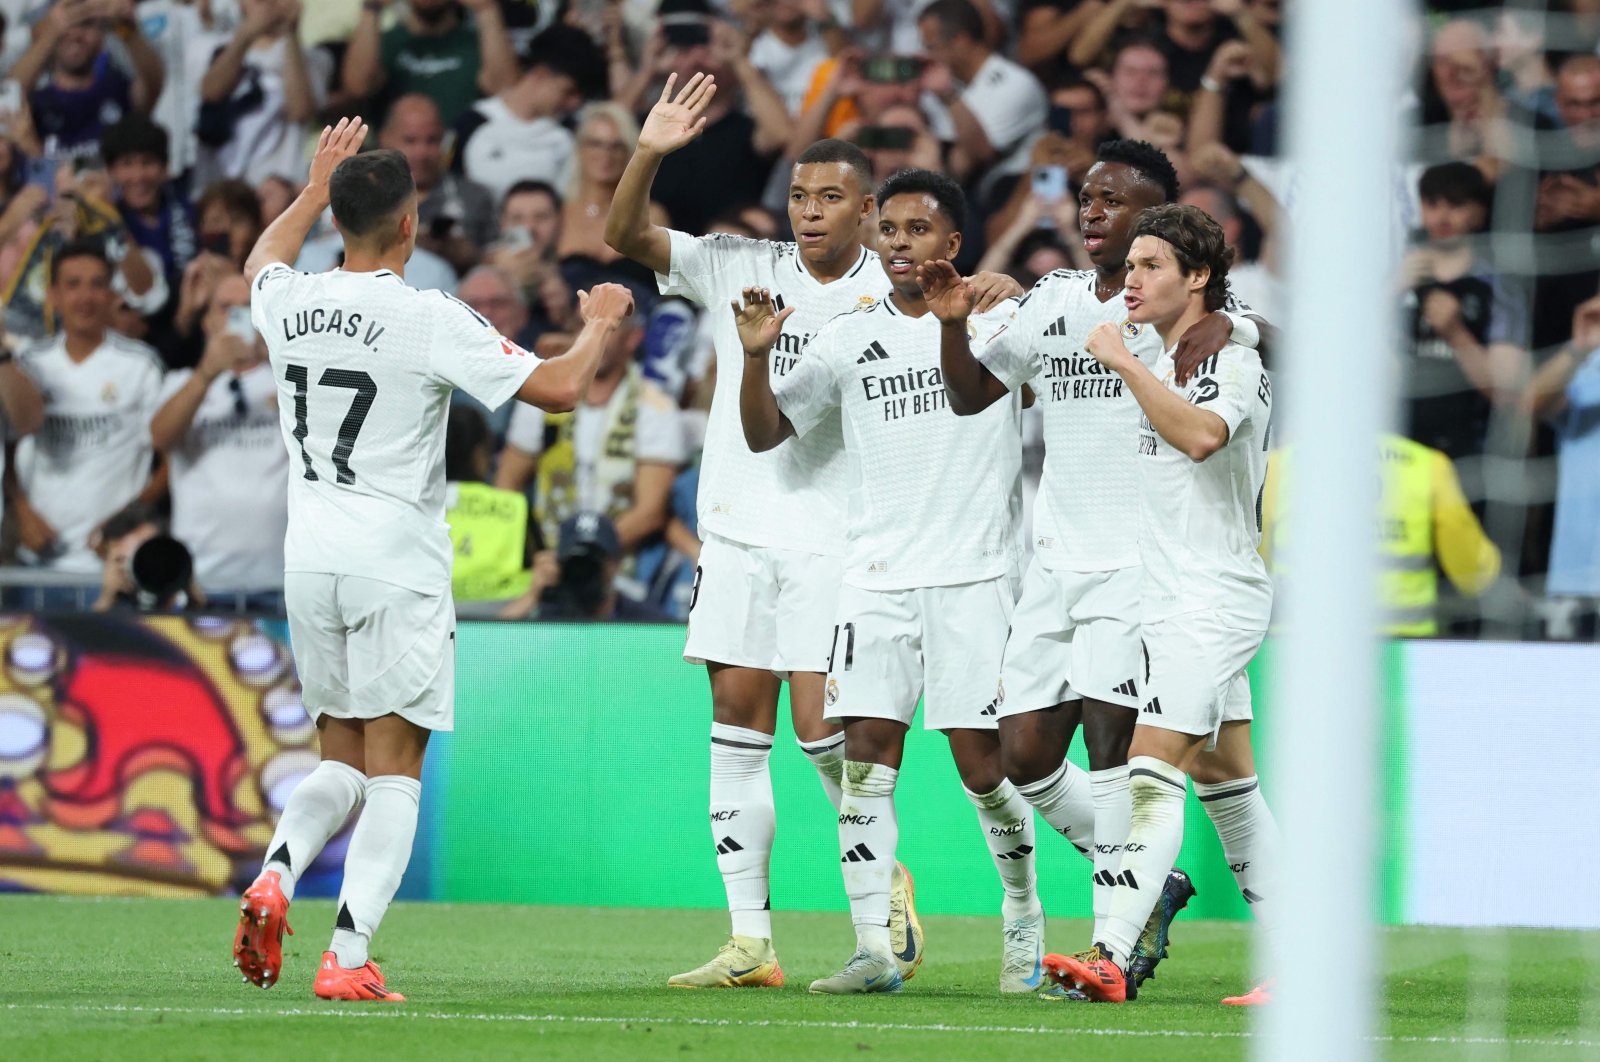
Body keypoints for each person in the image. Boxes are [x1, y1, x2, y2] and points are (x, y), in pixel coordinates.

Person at [232, 117, 634, 1001]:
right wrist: (601, 323)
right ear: (411, 226)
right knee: (394, 772)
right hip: (395, 563)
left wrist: (310, 187)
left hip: (310, 562)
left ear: (337, 219)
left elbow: (258, 260)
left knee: (337, 759)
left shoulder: (289, 300)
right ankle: (346, 956)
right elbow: (562, 390)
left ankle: (275, 873)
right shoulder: (426, 317)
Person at [927, 138, 1264, 994]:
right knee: (1033, 756)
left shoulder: (1209, 331)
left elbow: (1243, 354)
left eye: (1117, 203)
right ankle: (1157, 896)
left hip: (1152, 576)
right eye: (1087, 198)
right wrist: (956, 319)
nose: (1092, 212)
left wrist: (1194, 332)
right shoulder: (1055, 303)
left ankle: (1114, 943)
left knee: (1137, 767)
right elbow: (973, 393)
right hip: (1059, 564)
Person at [604, 76, 914, 990]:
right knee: (736, 729)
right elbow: (623, 237)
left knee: (825, 736)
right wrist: (651, 149)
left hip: (837, 540)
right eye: (798, 197)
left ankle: (879, 891)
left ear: (866, 209)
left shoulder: (890, 292)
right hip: (738, 533)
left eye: (828, 199)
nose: (809, 213)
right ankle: (751, 943)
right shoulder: (740, 261)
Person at [734, 169, 1048, 996]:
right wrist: (756, 359)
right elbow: (767, 434)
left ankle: (1023, 913)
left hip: (975, 575)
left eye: (920, 230)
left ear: (954, 245)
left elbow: (991, 388)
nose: (901, 242)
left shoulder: (1000, 319)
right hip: (873, 576)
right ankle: (875, 946)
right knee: (866, 762)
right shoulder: (846, 333)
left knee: (983, 767)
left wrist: (976, 308)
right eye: (893, 230)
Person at [1042, 202, 1276, 1008]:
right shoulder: (1181, 344)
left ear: (1198, 276)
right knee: (1227, 782)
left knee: (1150, 771)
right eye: (1129, 264)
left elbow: (1204, 436)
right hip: (1168, 596)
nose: (1130, 280)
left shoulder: (1228, 361)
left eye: (1149, 266)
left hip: (1211, 599)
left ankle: (1110, 951)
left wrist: (1127, 362)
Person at [11, 240, 165, 576]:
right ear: (53, 296)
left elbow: (170, 458)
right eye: (73, 285)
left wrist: (128, 521)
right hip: (38, 558)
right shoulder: (26, 364)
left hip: (115, 563)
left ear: (111, 294)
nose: (85, 297)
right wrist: (20, 510)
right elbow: (8, 446)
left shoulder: (141, 365)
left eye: (97, 284)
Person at [1258, 433, 1501, 638]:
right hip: (1401, 651)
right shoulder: (1426, 466)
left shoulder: (1277, 466)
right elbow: (1475, 577)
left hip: (1298, 651)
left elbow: (1251, 564)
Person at [149, 272, 288, 595]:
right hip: (200, 577)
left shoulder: (289, 381)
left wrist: (277, 357)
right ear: (208, 322)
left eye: (248, 307)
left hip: (279, 577)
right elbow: (159, 439)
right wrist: (207, 373)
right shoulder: (181, 383)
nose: (238, 317)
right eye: (226, 307)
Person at [450, 25, 606, 205]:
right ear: (540, 74)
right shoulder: (471, 123)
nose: (575, 104)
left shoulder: (570, 133)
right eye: (568, 91)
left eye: (580, 97)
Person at [196, 0, 333, 188]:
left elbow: (299, 111)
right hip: (220, 182)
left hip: (278, 185)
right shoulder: (208, 46)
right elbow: (211, 92)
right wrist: (246, 34)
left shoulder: (316, 58)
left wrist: (291, 33)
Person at [13, 0, 164, 161]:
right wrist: (50, 33)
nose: (76, 35)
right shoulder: (34, 102)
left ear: (102, 37)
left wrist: (127, 29)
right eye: (69, 25)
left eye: (86, 25)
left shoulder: (118, 89)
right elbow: (8, 93)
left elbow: (153, 83)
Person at [916, 0, 1047, 184]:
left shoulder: (1014, 85)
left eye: (931, 47)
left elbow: (972, 159)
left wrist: (949, 97)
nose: (927, 56)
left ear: (960, 41)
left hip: (1018, 190)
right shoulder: (951, 84)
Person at [341, 0, 519, 125]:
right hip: (393, 162)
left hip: (461, 160)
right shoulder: (387, 42)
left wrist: (487, 9)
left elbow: (504, 89)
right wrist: (372, 8)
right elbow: (359, 87)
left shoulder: (476, 42)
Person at [379, 95, 497, 278]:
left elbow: (498, 263)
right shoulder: (362, 196)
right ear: (385, 139)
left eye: (432, 140)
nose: (422, 153)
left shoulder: (475, 198)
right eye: (410, 141)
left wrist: (472, 256)